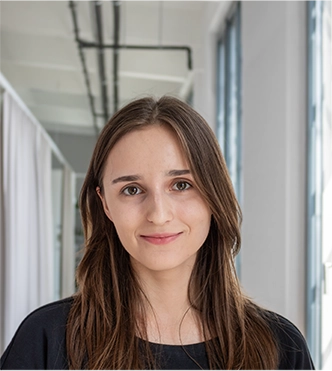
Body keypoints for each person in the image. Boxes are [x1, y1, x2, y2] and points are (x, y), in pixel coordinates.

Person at [0, 96, 315, 371]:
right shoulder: (47, 339)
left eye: (181, 185)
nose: (159, 214)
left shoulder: (280, 348)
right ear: (105, 204)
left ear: (213, 194)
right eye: (132, 189)